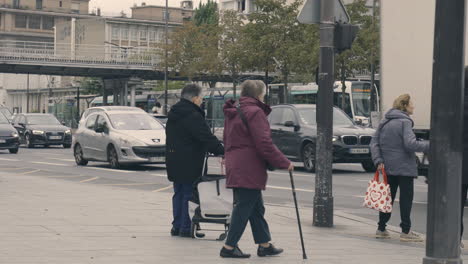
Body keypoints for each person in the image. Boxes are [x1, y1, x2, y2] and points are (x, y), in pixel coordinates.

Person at [220, 80, 294, 258]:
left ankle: (264, 244)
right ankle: (229, 247)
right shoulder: (255, 112)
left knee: (255, 207)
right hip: (249, 166)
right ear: (258, 94)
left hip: (237, 163)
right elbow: (264, 143)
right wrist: (284, 162)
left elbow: (227, 138)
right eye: (264, 93)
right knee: (244, 207)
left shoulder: (234, 110)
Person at [165, 83, 224, 238]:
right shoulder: (192, 115)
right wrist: (223, 151)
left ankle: (177, 226)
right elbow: (205, 137)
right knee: (188, 194)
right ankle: (186, 228)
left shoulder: (174, 113)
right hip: (189, 161)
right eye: (201, 98)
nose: (201, 101)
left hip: (174, 159)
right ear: (195, 98)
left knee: (178, 192)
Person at [370, 94, 429, 242]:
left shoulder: (385, 121)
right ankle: (405, 231)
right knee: (406, 199)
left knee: (387, 198)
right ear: (404, 106)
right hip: (404, 167)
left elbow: (374, 143)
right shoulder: (405, 122)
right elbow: (410, 144)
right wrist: (429, 145)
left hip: (388, 167)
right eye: (411, 104)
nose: (413, 106)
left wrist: (378, 160)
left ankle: (381, 228)